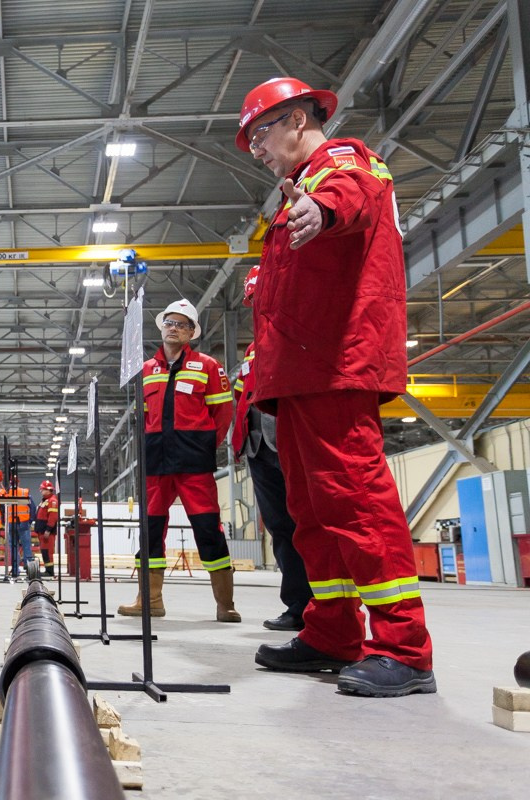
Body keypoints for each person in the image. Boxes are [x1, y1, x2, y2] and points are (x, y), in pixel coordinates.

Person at [238, 77, 434, 696]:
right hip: (297, 372)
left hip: (334, 365)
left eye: (260, 135)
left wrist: (320, 211)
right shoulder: (299, 190)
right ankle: (331, 631)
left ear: (297, 118)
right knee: (311, 512)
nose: (258, 151)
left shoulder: (343, 163)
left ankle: (404, 648)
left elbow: (349, 198)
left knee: (356, 501)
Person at [118, 298, 239, 622]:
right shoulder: (145, 370)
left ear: (191, 333)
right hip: (156, 461)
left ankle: (225, 604)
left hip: (193, 462)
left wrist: (204, 446)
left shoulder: (209, 367)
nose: (174, 328)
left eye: (181, 324)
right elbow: (142, 416)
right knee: (150, 530)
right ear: (162, 327)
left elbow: (223, 412)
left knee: (208, 529)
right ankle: (149, 600)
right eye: (169, 322)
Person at [231, 265, 311, 632]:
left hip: (292, 439)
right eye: (253, 300)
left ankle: (326, 608)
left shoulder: (299, 334)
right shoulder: (252, 349)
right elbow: (242, 398)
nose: (257, 307)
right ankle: (297, 605)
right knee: (280, 526)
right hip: (259, 446)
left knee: (307, 523)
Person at [6, 476, 33, 581]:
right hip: (24, 523)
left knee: (13, 547)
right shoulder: (24, 492)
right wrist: (29, 520)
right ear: (18, 482)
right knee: (26, 546)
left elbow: (3, 508)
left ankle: (15, 570)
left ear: (10, 483)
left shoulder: (7, 494)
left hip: (12, 523)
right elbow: (33, 508)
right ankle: (29, 569)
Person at [35, 480, 60, 577]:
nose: (41, 491)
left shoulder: (52, 501)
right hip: (42, 530)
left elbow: (53, 516)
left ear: (48, 490)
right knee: (44, 551)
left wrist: (48, 530)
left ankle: (49, 572)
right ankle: (47, 570)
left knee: (47, 551)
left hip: (47, 531)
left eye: (42, 489)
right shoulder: (45, 500)